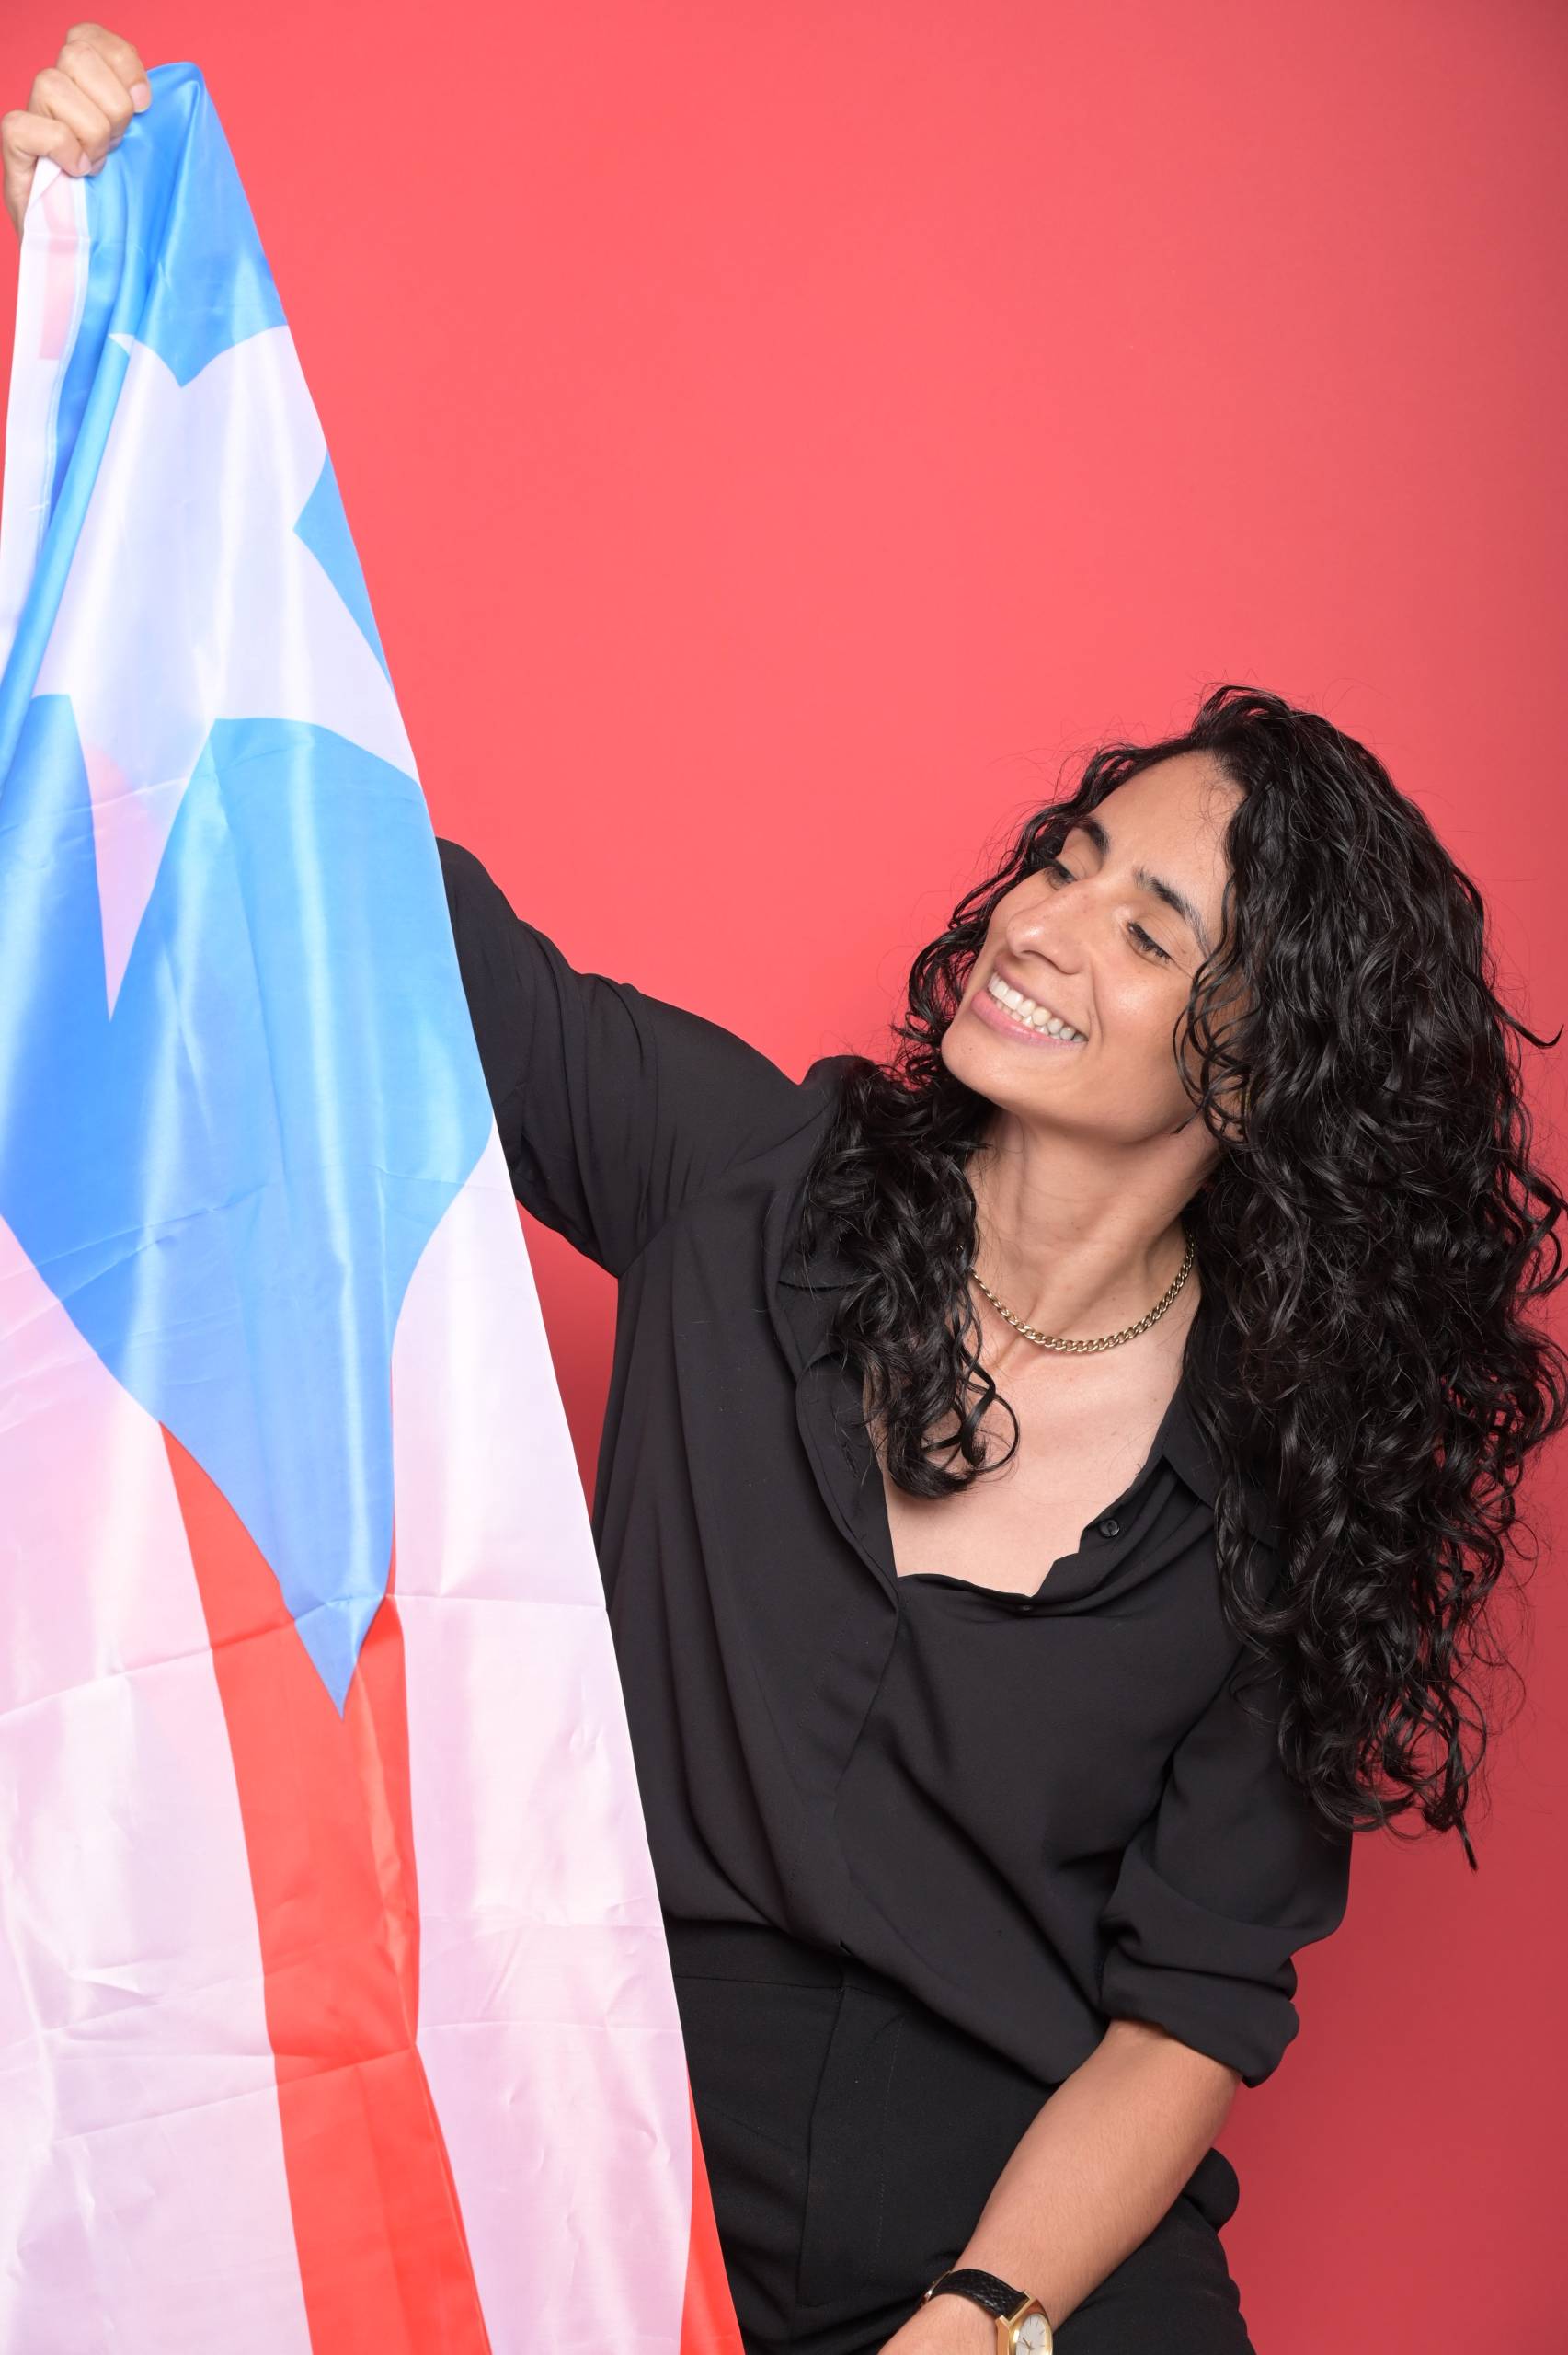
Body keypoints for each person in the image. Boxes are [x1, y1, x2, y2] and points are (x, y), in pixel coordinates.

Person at [6, 32, 1567, 2355]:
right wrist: (104, 383)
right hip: (603, 2185)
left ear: (1259, 1074)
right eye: (1071, 853)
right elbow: (347, 896)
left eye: (1147, 929)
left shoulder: (1270, 1475)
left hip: (1028, 2255)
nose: (1045, 918)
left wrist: (989, 2318)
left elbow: (1192, 2010)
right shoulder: (753, 1177)